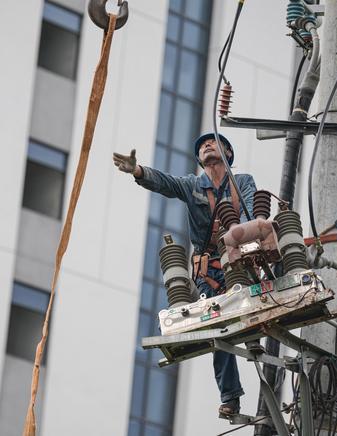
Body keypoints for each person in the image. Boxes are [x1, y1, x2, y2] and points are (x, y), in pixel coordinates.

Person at [113, 133, 257, 416]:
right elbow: (167, 183)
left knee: (252, 294)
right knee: (219, 328)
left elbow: (251, 213)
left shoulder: (242, 183)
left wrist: (241, 235)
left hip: (240, 259)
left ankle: (254, 334)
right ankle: (230, 395)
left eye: (213, 142)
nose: (206, 145)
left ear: (228, 154)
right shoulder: (194, 186)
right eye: (203, 145)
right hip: (210, 271)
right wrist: (138, 170)